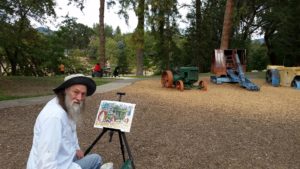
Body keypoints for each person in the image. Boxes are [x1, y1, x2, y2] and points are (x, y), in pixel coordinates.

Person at [27, 74, 103, 169]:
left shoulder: (67, 105)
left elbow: (71, 131)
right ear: (65, 90)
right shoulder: (54, 117)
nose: (79, 98)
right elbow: (46, 160)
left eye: (83, 94)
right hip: (54, 165)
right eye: (76, 92)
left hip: (64, 159)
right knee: (96, 159)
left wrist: (76, 148)